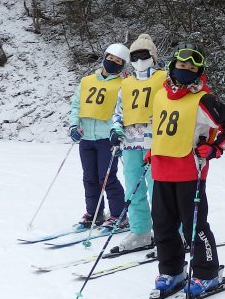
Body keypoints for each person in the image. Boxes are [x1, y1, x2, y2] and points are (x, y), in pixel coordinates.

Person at [146, 46, 225, 297]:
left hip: (190, 171)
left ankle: (206, 273)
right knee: (163, 225)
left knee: (194, 226)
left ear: (199, 72)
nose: (185, 71)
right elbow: (156, 126)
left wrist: (215, 148)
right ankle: (172, 270)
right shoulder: (160, 95)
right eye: (181, 66)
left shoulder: (204, 100)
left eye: (191, 69)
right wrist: (151, 149)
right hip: (161, 170)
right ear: (172, 67)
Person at [108, 33, 165, 252]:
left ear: (153, 56)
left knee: (159, 190)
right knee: (133, 189)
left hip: (156, 143)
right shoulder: (127, 83)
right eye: (135, 56)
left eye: (144, 55)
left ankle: (170, 232)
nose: (140, 60)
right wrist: (115, 129)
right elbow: (118, 111)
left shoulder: (164, 78)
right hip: (130, 143)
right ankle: (140, 230)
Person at [68, 43, 129, 228]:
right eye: (110, 58)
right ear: (104, 58)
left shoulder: (123, 84)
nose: (112, 62)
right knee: (89, 178)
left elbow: (123, 111)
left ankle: (119, 215)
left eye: (118, 61)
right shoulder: (87, 81)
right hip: (86, 137)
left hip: (106, 139)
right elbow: (76, 105)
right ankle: (94, 213)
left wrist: (118, 136)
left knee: (107, 177)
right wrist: (73, 125)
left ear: (122, 65)